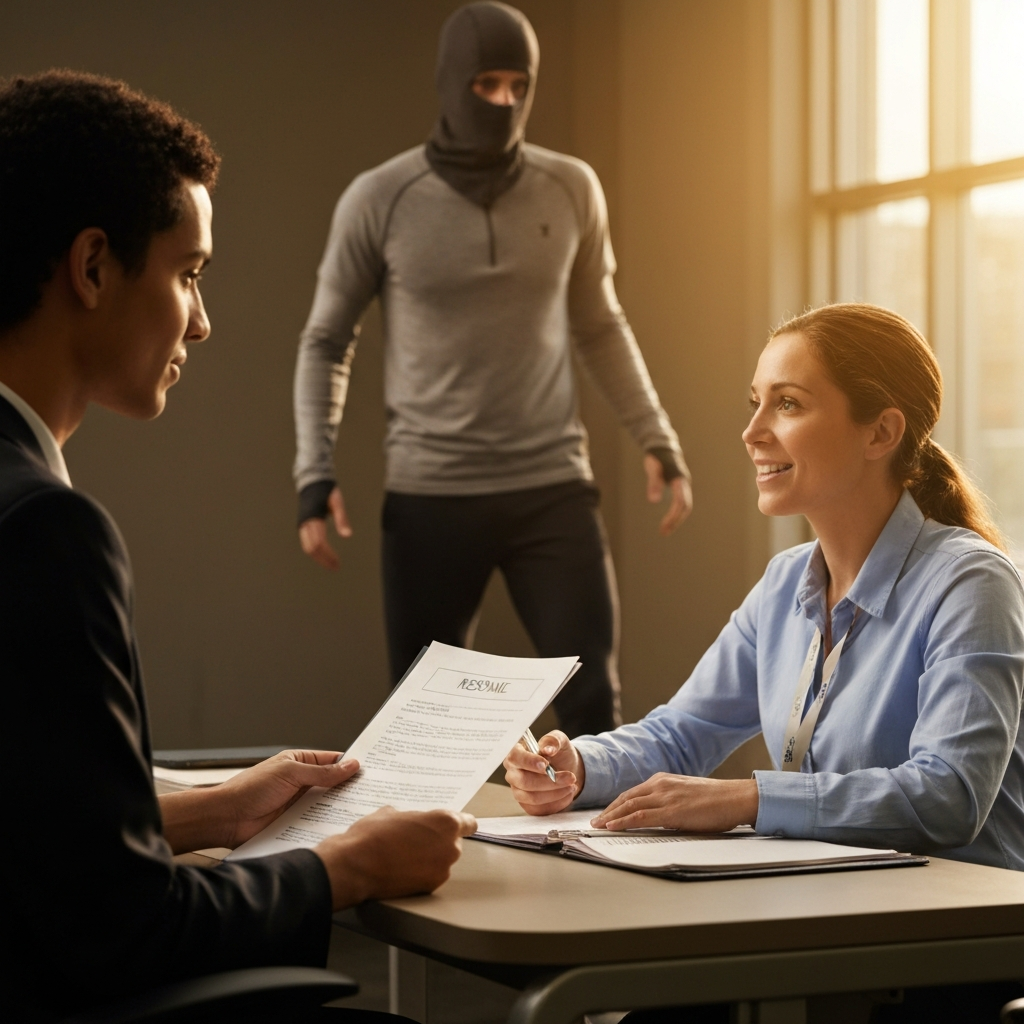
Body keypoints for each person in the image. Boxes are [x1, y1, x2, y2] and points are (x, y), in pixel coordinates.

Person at [0, 70, 475, 1024]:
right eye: (189, 273)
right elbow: (121, 929)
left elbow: (36, 844)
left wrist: (213, 810)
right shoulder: (47, 531)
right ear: (93, 268)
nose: (203, 321)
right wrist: (343, 866)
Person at [504, 303, 1024, 1023]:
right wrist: (579, 768)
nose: (752, 433)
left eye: (787, 404)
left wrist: (747, 799)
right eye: (756, 404)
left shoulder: (971, 582)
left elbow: (948, 798)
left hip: (953, 952)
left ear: (882, 431)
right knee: (665, 1001)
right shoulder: (786, 583)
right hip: (830, 919)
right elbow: (681, 734)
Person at [293, 1, 692, 738]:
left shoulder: (572, 187)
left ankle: (595, 849)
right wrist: (313, 475)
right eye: (487, 86)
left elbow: (601, 325)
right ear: (452, 84)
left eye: (520, 87)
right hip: (431, 495)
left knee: (592, 706)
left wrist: (656, 437)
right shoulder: (382, 198)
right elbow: (326, 341)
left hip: (551, 487)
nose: (505, 104)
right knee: (422, 726)